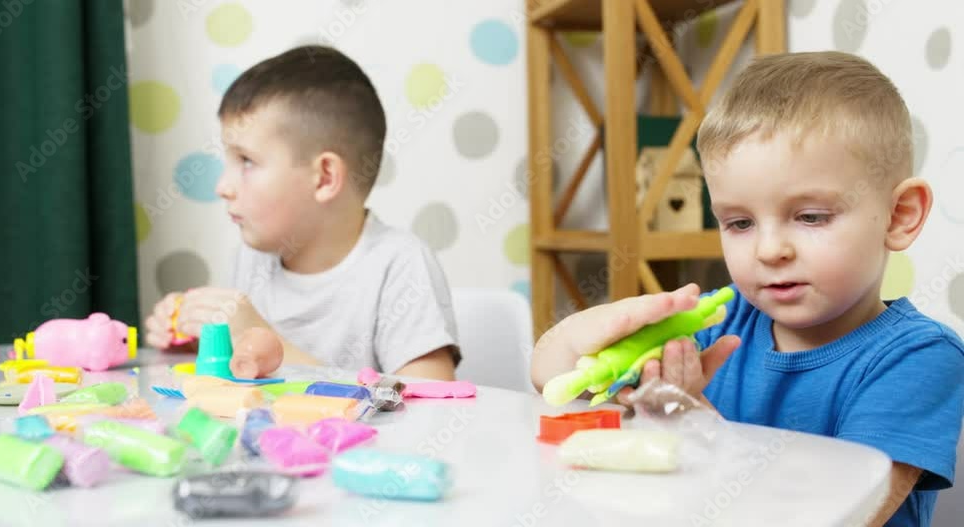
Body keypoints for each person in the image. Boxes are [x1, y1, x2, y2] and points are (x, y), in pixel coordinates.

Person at [530, 51, 963, 526]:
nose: (769, 249)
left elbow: (843, 512)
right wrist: (591, 333)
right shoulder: (720, 323)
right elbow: (550, 380)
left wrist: (697, 424)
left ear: (900, 216)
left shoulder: (918, 357)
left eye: (811, 216)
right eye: (739, 222)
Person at [144, 45, 460, 381]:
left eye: (246, 161)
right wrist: (201, 347)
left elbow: (431, 406)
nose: (223, 185)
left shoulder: (399, 264)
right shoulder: (250, 259)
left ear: (324, 177)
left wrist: (269, 344)